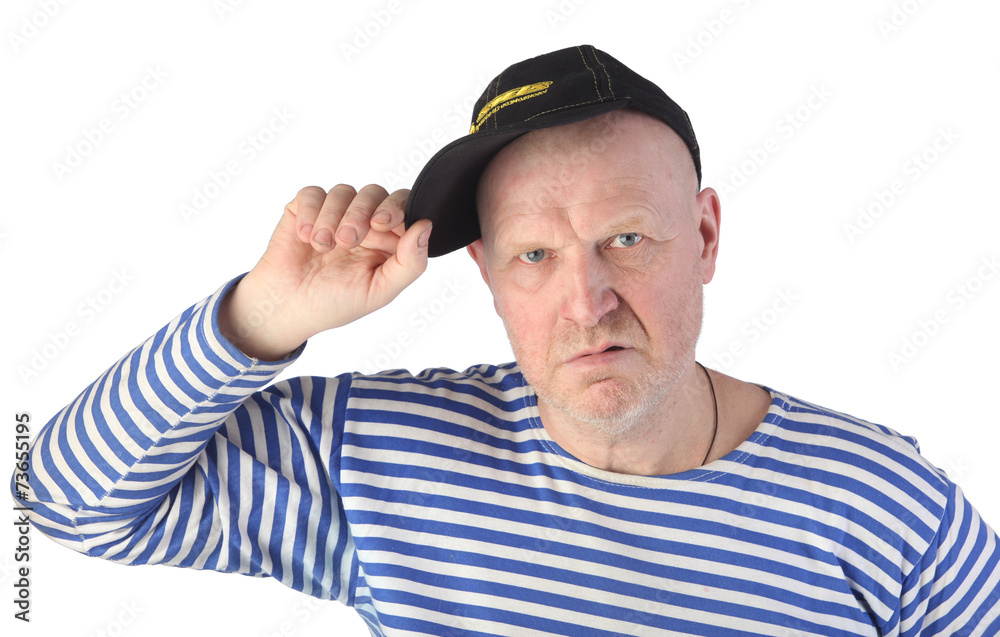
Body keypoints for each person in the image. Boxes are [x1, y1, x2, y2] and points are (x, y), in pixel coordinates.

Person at [13, 44, 1000, 636]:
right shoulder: (380, 456)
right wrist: (262, 319)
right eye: (534, 255)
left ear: (704, 236)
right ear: (485, 272)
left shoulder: (887, 505)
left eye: (626, 240)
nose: (586, 301)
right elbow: (60, 498)